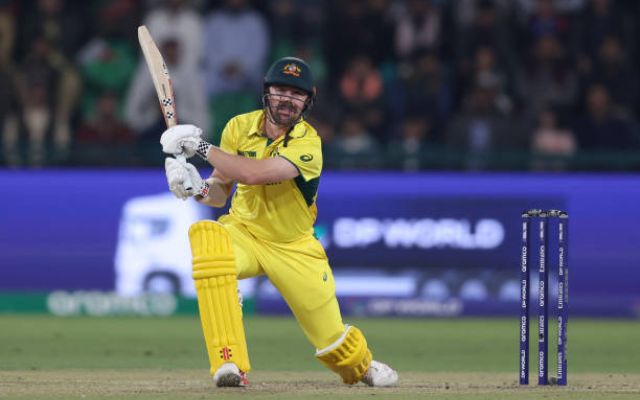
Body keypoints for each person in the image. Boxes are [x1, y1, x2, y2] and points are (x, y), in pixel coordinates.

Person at [159, 57, 399, 388]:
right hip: (244, 232)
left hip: (293, 246)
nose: (288, 100)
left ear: (308, 101)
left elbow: (253, 174)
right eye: (281, 91)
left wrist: (198, 147)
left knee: (334, 344)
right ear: (266, 92)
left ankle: (363, 365)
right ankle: (229, 363)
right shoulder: (238, 127)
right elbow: (220, 191)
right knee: (209, 240)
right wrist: (196, 187)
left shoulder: (308, 143)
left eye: (297, 94)